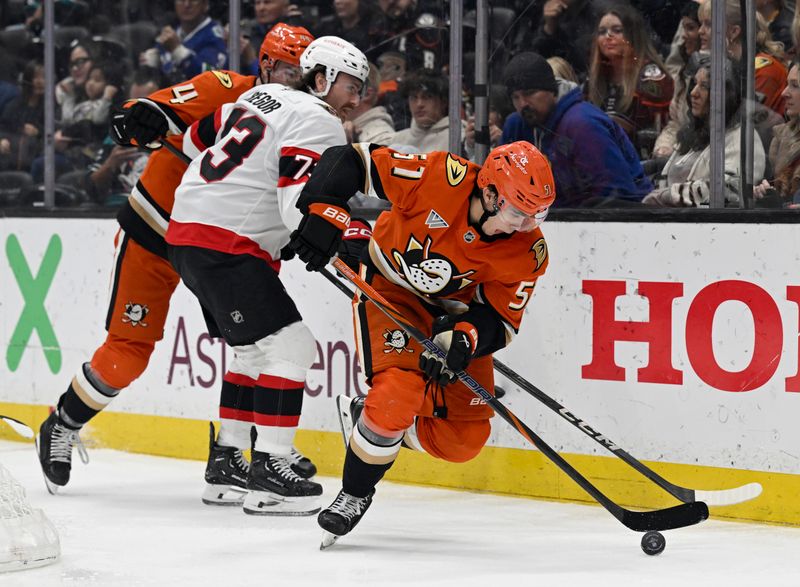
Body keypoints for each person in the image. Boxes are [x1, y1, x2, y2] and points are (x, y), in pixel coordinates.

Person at [36, 24, 318, 505]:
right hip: (155, 232)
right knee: (129, 351)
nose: (300, 82)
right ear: (267, 65)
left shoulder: (309, 118)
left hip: (222, 246)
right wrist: (141, 116)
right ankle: (62, 423)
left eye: (307, 74)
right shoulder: (228, 87)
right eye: (291, 71)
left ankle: (245, 452)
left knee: (256, 346)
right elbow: (158, 107)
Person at [284, 139, 553, 544]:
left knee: (463, 441)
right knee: (397, 393)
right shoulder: (439, 176)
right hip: (390, 290)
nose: (524, 225)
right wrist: (324, 211)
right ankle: (354, 493)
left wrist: (464, 338)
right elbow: (351, 159)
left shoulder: (528, 252)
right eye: (518, 212)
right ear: (490, 191)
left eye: (536, 215)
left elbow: (501, 319)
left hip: (453, 316)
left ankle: (371, 422)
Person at [165, 35, 370, 516]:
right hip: (226, 242)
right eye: (349, 86)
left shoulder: (259, 96)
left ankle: (228, 460)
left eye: (362, 88)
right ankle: (270, 469)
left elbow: (195, 139)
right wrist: (336, 236)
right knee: (292, 347)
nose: (356, 100)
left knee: (251, 350)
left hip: (187, 234)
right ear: (320, 79)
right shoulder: (319, 119)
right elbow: (296, 200)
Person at [501, 51, 652, 207]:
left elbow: (616, 199)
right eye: (515, 97)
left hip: (618, 221)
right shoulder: (516, 126)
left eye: (530, 93)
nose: (523, 104)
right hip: (554, 221)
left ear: (551, 90)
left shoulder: (582, 124)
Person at [643, 55, 765, 206]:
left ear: (725, 94)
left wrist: (667, 196)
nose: (693, 93)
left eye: (704, 86)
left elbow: (730, 189)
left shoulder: (743, 139)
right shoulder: (695, 133)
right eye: (694, 84)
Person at [585, 4, 673, 158]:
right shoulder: (593, 80)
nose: (608, 36)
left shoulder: (651, 77)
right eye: (602, 32)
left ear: (633, 35)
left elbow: (662, 131)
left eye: (617, 30)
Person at [139, 0, 228, 84]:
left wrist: (178, 51)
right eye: (181, 0)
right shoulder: (172, 31)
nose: (186, 4)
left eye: (193, 0)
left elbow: (214, 77)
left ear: (205, 4)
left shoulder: (215, 36)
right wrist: (151, 63)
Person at [754, 57, 800, 206]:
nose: (784, 93)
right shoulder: (782, 137)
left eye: (795, 86)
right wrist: (765, 192)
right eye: (787, 85)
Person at [389, 67, 464, 153]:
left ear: (443, 102)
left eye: (427, 97)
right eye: (414, 98)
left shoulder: (458, 139)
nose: (419, 104)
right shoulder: (397, 140)